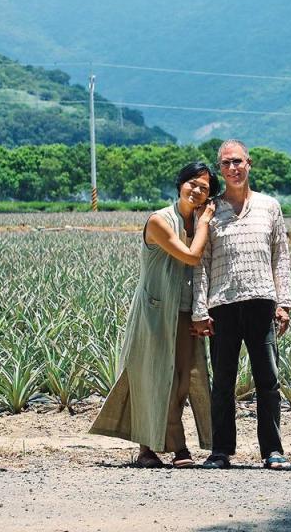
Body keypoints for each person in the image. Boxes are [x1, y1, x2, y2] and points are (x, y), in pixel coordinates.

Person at [90, 162, 218, 468]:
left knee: (182, 381)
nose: (197, 190)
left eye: (204, 188)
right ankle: (176, 449)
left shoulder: (196, 221)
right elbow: (191, 256)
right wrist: (203, 226)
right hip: (155, 312)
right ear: (180, 184)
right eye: (192, 183)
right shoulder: (160, 221)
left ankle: (150, 448)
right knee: (152, 378)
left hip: (185, 311)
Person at [194, 140, 291, 471]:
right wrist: (200, 310)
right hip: (222, 304)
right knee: (222, 381)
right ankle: (221, 451)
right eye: (225, 164)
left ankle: (273, 450)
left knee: (267, 379)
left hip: (261, 302)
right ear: (219, 170)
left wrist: (284, 303)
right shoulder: (210, 210)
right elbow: (201, 262)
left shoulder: (270, 206)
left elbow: (281, 255)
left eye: (237, 162)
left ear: (249, 163)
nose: (232, 168)